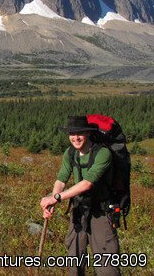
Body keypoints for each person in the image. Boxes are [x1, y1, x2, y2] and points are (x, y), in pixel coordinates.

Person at [40, 116, 120, 276]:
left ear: (88, 133)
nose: (75, 138)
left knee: (107, 267)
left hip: (102, 212)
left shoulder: (103, 153)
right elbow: (61, 179)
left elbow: (87, 183)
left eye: (80, 133)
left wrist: (56, 198)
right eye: (72, 134)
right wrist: (52, 201)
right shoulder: (70, 153)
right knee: (74, 262)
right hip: (79, 209)